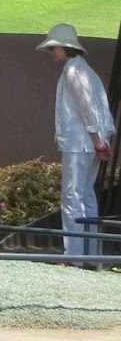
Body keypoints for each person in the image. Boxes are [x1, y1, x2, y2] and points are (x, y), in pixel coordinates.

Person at [37, 22, 115, 263]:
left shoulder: (74, 71)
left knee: (72, 196)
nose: (51, 52)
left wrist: (97, 141)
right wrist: (101, 140)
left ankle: (74, 255)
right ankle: (90, 255)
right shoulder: (84, 70)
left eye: (54, 47)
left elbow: (87, 108)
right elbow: (96, 108)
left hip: (80, 143)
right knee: (86, 195)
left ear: (66, 47)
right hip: (88, 141)